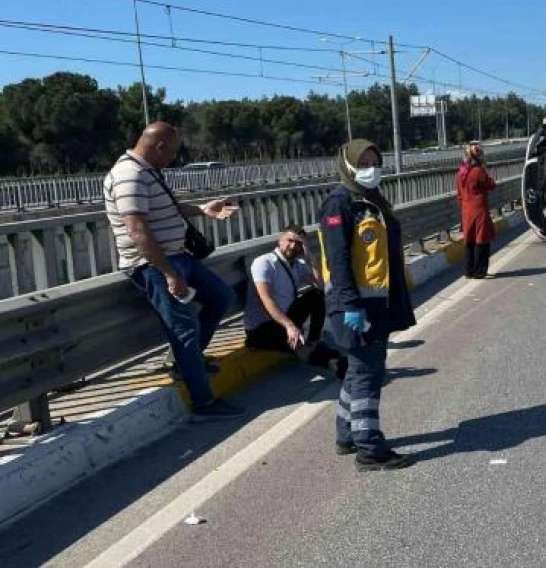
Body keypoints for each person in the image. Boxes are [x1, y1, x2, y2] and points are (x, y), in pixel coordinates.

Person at [103, 122, 243, 421]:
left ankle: (188, 363)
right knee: (184, 329)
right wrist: (167, 273)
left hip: (178, 257)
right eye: (173, 151)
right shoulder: (129, 175)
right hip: (153, 266)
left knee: (221, 297)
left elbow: (168, 206)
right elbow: (137, 230)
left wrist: (203, 209)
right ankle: (203, 402)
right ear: (159, 146)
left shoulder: (146, 170)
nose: (174, 158)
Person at [318, 139, 417, 471]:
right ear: (347, 166)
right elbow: (339, 259)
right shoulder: (339, 204)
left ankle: (346, 435)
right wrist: (349, 305)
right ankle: (369, 449)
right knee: (367, 375)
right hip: (355, 305)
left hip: (376, 304)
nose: (370, 169)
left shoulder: (370, 201)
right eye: (363, 163)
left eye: (375, 161)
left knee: (360, 371)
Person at [243, 224, 337, 367]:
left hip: (283, 319)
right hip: (262, 328)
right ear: (280, 240)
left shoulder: (297, 264)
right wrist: (290, 325)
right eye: (290, 241)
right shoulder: (264, 262)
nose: (293, 246)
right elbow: (267, 300)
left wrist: (309, 254)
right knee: (299, 347)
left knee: (316, 295)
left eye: (298, 243)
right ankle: (331, 363)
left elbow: (320, 285)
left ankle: (313, 342)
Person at [456, 142, 497, 279]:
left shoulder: (461, 172)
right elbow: (490, 185)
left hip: (466, 209)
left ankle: (469, 271)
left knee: (469, 240)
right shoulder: (478, 171)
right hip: (479, 209)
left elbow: (459, 194)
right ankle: (480, 271)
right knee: (481, 240)